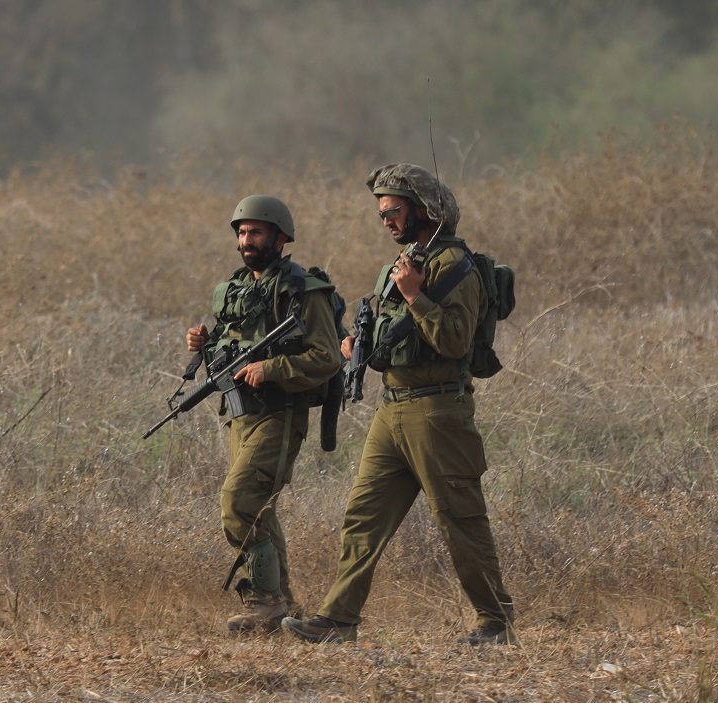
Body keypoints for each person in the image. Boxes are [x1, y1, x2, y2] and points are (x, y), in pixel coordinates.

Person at [282, 164, 516, 646]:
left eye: (393, 210)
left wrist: (414, 294)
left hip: (437, 413)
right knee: (364, 515)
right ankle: (338, 619)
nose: (386, 219)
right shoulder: (405, 261)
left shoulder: (455, 266)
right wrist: (354, 347)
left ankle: (495, 622)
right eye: (381, 213)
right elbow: (387, 333)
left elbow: (453, 341)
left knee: (460, 519)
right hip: (393, 409)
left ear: (424, 210)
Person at [186, 194, 342, 634]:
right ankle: (283, 609)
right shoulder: (234, 290)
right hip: (240, 416)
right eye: (241, 232)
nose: (246, 240)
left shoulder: (302, 291)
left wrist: (269, 368)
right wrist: (205, 347)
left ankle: (265, 602)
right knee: (260, 511)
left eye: (255, 231)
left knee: (239, 502)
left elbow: (326, 357)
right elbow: (230, 344)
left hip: (281, 413)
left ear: (280, 236)